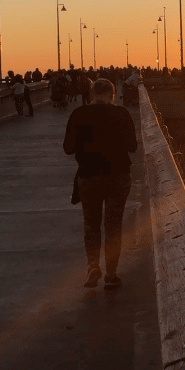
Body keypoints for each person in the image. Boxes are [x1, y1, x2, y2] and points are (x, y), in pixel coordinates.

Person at [63, 79, 138, 289]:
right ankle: (111, 274)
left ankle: (93, 266)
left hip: (88, 176)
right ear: (113, 95)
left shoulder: (78, 114)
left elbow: (68, 148)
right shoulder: (122, 114)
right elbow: (132, 146)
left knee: (91, 224)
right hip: (118, 176)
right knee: (114, 225)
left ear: (92, 93)